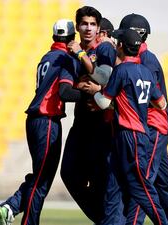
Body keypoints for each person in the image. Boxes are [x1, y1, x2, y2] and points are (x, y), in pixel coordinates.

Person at [0, 19, 95, 225]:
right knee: (42, 179)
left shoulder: (47, 57)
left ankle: (11, 206)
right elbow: (65, 92)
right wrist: (90, 95)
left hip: (34, 120)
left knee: (41, 175)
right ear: (71, 39)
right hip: (47, 120)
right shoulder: (66, 58)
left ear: (53, 37)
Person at [88, 28, 168, 225]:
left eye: (117, 43)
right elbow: (162, 104)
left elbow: (104, 102)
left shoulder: (122, 70)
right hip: (135, 133)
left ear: (122, 46)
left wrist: (94, 93)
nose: (115, 45)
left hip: (129, 134)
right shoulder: (146, 72)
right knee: (115, 184)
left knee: (141, 188)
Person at [118, 14, 168, 225]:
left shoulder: (147, 62)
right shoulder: (140, 60)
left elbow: (151, 101)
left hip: (154, 126)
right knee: (162, 182)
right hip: (153, 127)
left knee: (143, 180)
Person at [60, 6, 119, 224]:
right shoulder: (70, 54)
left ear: (98, 28)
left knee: (99, 181)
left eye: (93, 24)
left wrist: (91, 86)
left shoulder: (104, 49)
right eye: (84, 23)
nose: (88, 28)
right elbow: (65, 91)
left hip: (102, 126)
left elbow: (103, 79)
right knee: (68, 173)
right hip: (81, 123)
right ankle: (104, 220)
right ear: (77, 27)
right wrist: (85, 88)